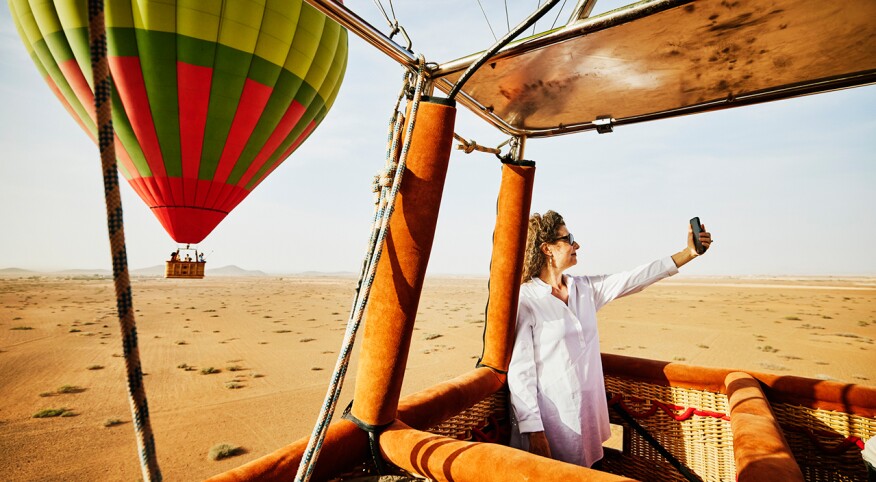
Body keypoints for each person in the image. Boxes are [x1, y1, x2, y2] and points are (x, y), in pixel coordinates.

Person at [507, 210, 712, 468]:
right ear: (547, 249)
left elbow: (635, 278)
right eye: (568, 238)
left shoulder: (584, 289)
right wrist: (534, 432)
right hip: (550, 424)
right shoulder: (526, 301)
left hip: (587, 416)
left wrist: (688, 253)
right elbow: (520, 372)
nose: (576, 244)